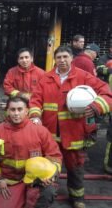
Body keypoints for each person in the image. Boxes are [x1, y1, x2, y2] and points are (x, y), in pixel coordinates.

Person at [29, 46, 112, 208]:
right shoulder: (46, 79)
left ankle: (77, 198)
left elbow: (107, 93)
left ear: (72, 58)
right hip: (50, 135)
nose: (62, 60)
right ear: (55, 60)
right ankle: (47, 197)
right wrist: (34, 115)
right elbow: (35, 100)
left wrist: (96, 106)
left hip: (74, 134)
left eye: (65, 56)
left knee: (76, 167)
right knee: (49, 167)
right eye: (58, 57)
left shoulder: (83, 76)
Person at [0, 96, 62, 208]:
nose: (16, 113)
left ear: (27, 110)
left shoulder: (40, 131)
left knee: (48, 191)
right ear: (7, 111)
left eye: (20, 109)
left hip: (36, 181)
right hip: (10, 181)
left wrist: (50, 176)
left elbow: (54, 155)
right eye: (12, 110)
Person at [96, 40, 112, 174]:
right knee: (98, 119)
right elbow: (99, 69)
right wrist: (109, 69)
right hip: (104, 94)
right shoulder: (104, 58)